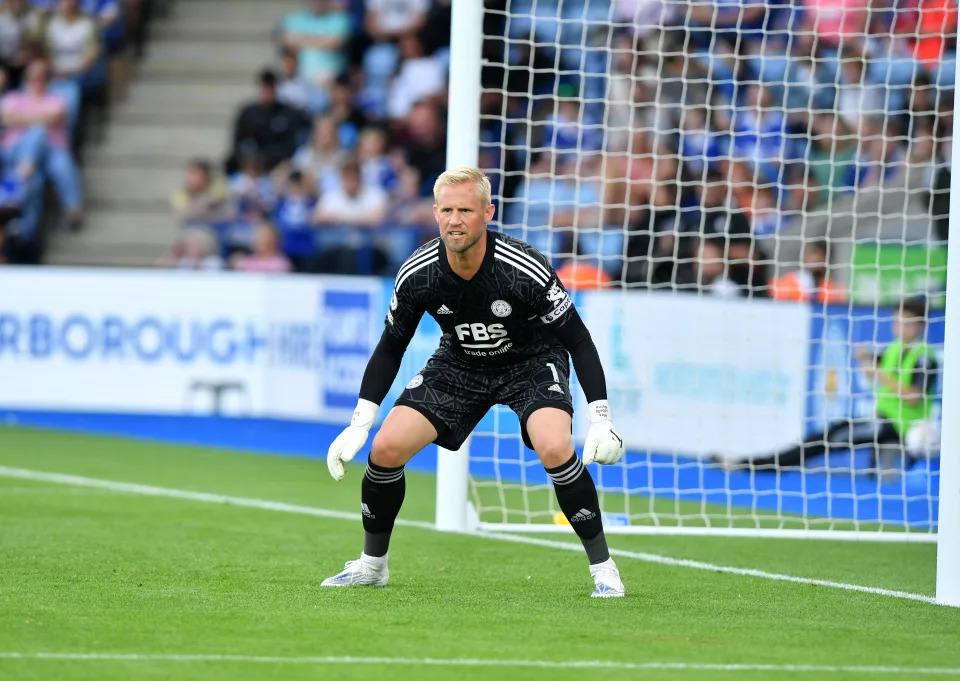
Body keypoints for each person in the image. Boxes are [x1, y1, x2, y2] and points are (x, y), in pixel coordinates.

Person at [322, 167, 627, 598]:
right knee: (386, 448)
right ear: (434, 213)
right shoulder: (418, 273)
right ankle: (372, 566)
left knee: (556, 446)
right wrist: (360, 421)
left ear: (488, 213)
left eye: (465, 210)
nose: (454, 220)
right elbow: (390, 346)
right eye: (446, 210)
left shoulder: (524, 267)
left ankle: (604, 569)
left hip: (532, 363)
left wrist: (600, 418)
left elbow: (577, 338)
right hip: (460, 364)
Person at [717, 298, 938, 475]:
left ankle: (760, 465)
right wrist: (866, 358)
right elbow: (879, 367)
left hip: (903, 427)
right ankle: (759, 463)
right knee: (826, 436)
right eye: (896, 321)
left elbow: (913, 397)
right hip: (884, 420)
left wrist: (877, 373)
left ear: (920, 326)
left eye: (905, 322)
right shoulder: (895, 348)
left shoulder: (924, 357)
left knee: (828, 438)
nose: (899, 327)